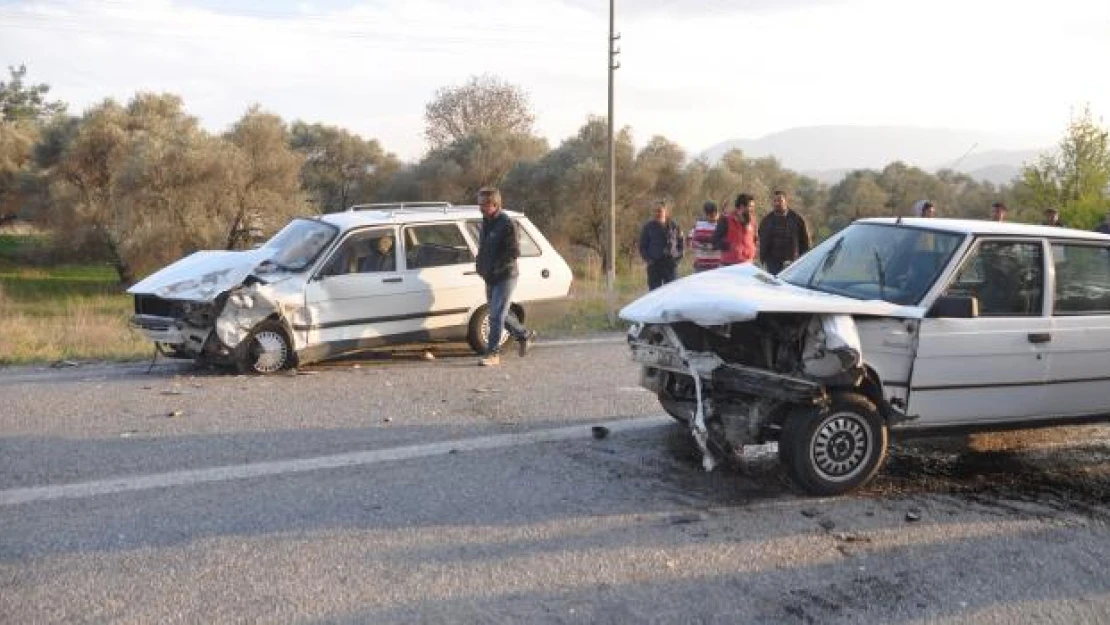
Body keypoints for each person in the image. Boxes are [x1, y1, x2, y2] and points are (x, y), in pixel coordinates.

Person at [474, 186, 533, 367]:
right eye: (479, 203)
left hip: (505, 275)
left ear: (495, 204)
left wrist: (496, 269)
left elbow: (513, 252)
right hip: (489, 276)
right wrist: (481, 266)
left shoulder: (507, 223)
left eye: (484, 204)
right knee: (498, 313)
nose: (480, 207)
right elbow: (484, 248)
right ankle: (524, 335)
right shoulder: (486, 221)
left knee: (496, 316)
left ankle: (493, 354)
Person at [758, 190, 811, 274]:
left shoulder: (797, 219)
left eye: (780, 200)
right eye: (775, 201)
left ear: (786, 201)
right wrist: (762, 260)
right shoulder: (766, 221)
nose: (777, 203)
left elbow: (805, 242)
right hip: (773, 262)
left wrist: (804, 259)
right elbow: (762, 242)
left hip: (792, 261)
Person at [639, 200, 684, 289]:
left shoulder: (674, 226)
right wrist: (649, 260)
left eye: (659, 211)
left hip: (670, 265)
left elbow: (681, 243)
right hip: (654, 265)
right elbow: (642, 247)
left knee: (671, 293)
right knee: (654, 294)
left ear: (665, 212)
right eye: (655, 211)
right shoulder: (648, 227)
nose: (657, 213)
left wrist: (677, 259)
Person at [713, 193, 758, 265]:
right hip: (730, 264)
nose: (752, 209)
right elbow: (715, 241)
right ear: (741, 206)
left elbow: (755, 239)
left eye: (753, 207)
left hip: (748, 262)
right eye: (750, 206)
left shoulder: (753, 221)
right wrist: (730, 246)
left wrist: (754, 249)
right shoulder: (726, 220)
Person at [687, 201, 723, 272]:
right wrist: (700, 246)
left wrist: (714, 246)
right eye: (710, 215)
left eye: (715, 214)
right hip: (700, 266)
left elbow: (727, 242)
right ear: (705, 214)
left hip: (718, 266)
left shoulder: (723, 225)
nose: (713, 217)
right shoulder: (698, 224)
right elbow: (689, 240)